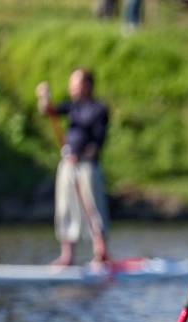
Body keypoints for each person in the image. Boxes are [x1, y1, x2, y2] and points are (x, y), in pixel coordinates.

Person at [36, 68, 110, 266]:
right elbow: (49, 112)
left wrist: (83, 156)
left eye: (75, 83)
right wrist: (44, 98)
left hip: (87, 166)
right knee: (65, 207)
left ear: (87, 85)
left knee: (93, 208)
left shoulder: (99, 109)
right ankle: (67, 256)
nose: (71, 87)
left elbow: (99, 141)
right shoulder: (73, 107)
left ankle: (100, 253)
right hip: (68, 165)